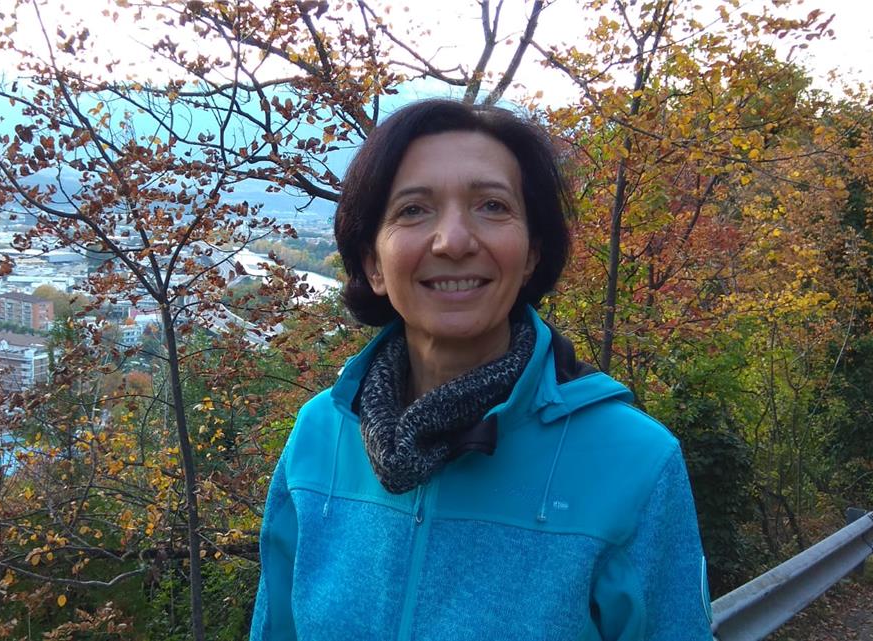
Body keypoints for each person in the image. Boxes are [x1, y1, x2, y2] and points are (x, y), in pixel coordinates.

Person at [249, 99, 713, 640]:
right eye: (413, 210)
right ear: (373, 264)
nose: (454, 241)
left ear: (532, 253)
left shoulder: (633, 460)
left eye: (492, 206)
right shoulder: (319, 436)